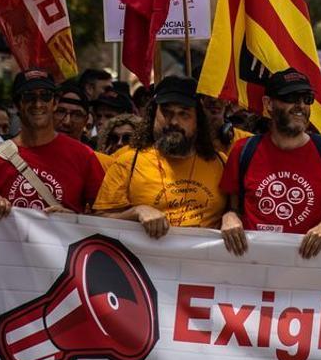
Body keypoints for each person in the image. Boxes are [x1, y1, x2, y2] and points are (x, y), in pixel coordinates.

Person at [220, 69, 321, 258]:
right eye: (290, 98)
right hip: (252, 267)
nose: (300, 106)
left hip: (307, 267)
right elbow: (233, 208)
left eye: (307, 99)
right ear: (268, 104)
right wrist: (229, 217)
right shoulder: (243, 150)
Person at [94, 77, 230, 241]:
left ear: (198, 121)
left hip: (203, 263)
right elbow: (99, 221)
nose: (174, 121)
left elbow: (241, 209)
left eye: (184, 114)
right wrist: (137, 211)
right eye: (166, 112)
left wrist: (231, 216)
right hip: (147, 264)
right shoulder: (128, 161)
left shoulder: (220, 163)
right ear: (152, 116)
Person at [0, 70, 106, 221]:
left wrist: (75, 220)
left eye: (45, 96)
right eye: (29, 97)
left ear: (54, 103)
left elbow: (105, 220)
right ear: (16, 105)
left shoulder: (83, 156)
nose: (38, 104)